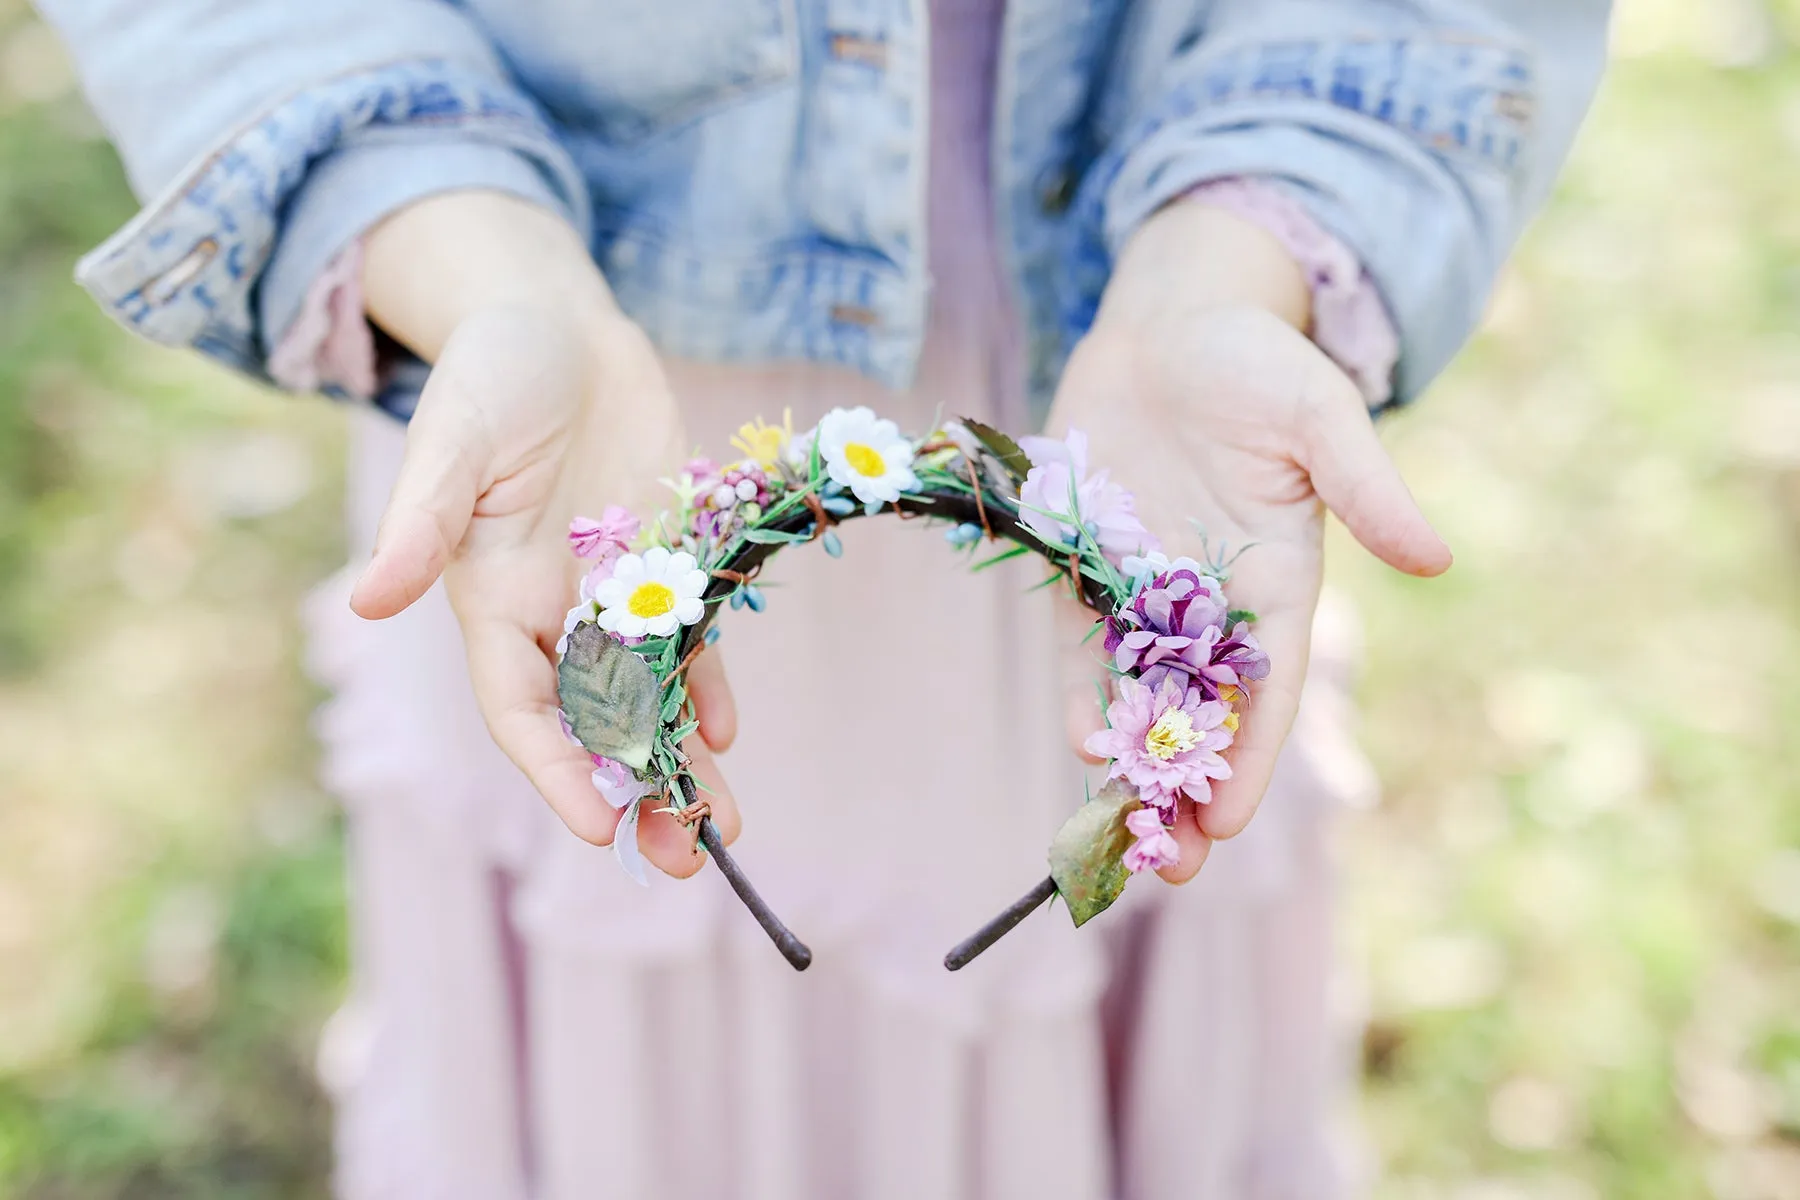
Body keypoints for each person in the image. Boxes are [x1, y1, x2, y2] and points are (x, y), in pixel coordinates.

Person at [35, 1, 1610, 1196]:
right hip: (573, 377)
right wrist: (468, 259)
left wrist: (1247, 242)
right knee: (622, 981)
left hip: (1117, 346)